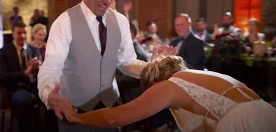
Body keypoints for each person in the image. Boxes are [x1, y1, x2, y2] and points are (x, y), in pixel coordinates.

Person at [37, 0, 176, 132]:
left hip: (112, 110)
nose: (107, 1)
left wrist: (153, 67)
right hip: (76, 113)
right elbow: (50, 68)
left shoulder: (120, 21)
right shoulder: (64, 22)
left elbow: (126, 62)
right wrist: (48, 94)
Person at [61, 55, 276, 132]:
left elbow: (113, 117)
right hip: (266, 112)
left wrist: (76, 117)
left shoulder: (170, 85)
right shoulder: (199, 77)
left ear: (154, 83)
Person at [0, 22, 41, 131]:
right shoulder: (3, 52)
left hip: (33, 86)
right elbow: (3, 76)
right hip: (14, 88)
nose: (22, 36)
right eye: (19, 33)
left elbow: (41, 72)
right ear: (13, 34)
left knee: (53, 97)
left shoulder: (34, 50)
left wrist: (39, 68)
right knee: (28, 100)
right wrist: (25, 72)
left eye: (25, 33)